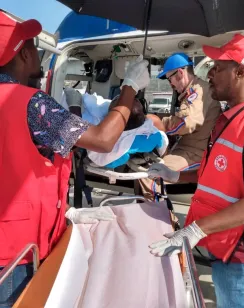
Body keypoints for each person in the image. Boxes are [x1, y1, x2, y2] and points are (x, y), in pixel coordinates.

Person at [0, 12, 149, 307]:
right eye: (34, 50)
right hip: (17, 256)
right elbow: (103, 140)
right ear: (25, 54)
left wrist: (64, 210)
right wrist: (130, 87)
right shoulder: (31, 104)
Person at [147, 34, 244, 308]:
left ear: (240, 72)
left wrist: (196, 230)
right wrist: (178, 176)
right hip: (227, 247)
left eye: (218, 67)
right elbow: (217, 172)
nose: (209, 73)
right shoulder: (229, 117)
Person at [139, 52, 221, 200]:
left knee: (149, 176)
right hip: (185, 149)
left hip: (195, 154)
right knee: (146, 165)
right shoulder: (193, 91)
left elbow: (186, 123)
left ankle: (159, 220)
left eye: (170, 79)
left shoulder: (197, 91)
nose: (170, 85)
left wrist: (158, 123)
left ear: (180, 74)